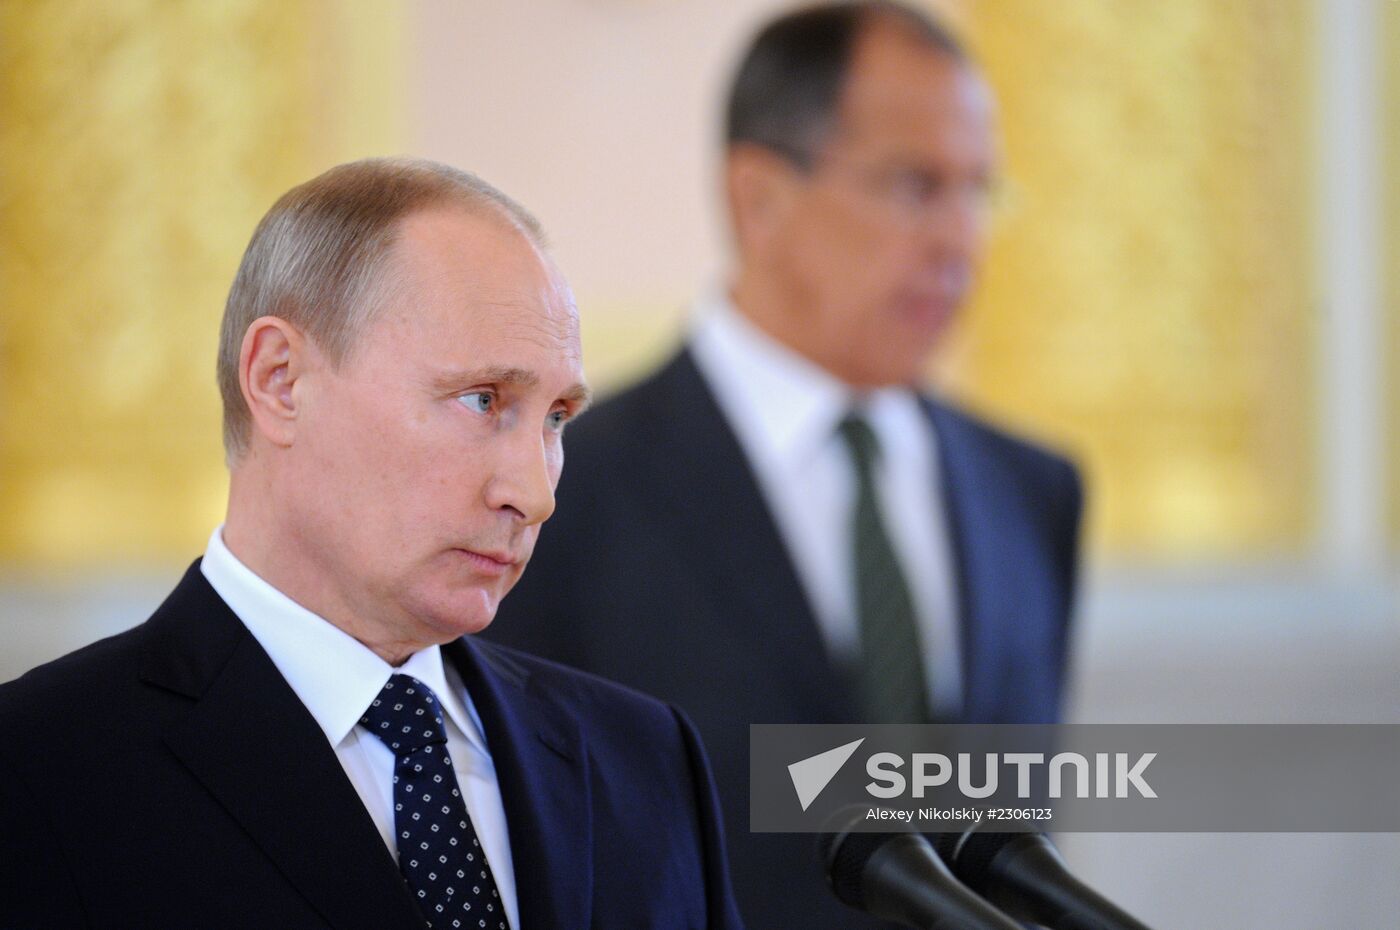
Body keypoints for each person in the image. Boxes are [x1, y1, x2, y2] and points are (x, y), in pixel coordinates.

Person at [0, 158, 742, 930]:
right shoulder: (38, 771)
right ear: (281, 380)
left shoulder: (642, 757)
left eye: (556, 416)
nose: (535, 491)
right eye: (483, 400)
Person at [486, 3, 1083, 927]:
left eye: (979, 192)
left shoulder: (1033, 491)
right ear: (758, 196)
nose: (960, 241)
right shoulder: (568, 489)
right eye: (916, 186)